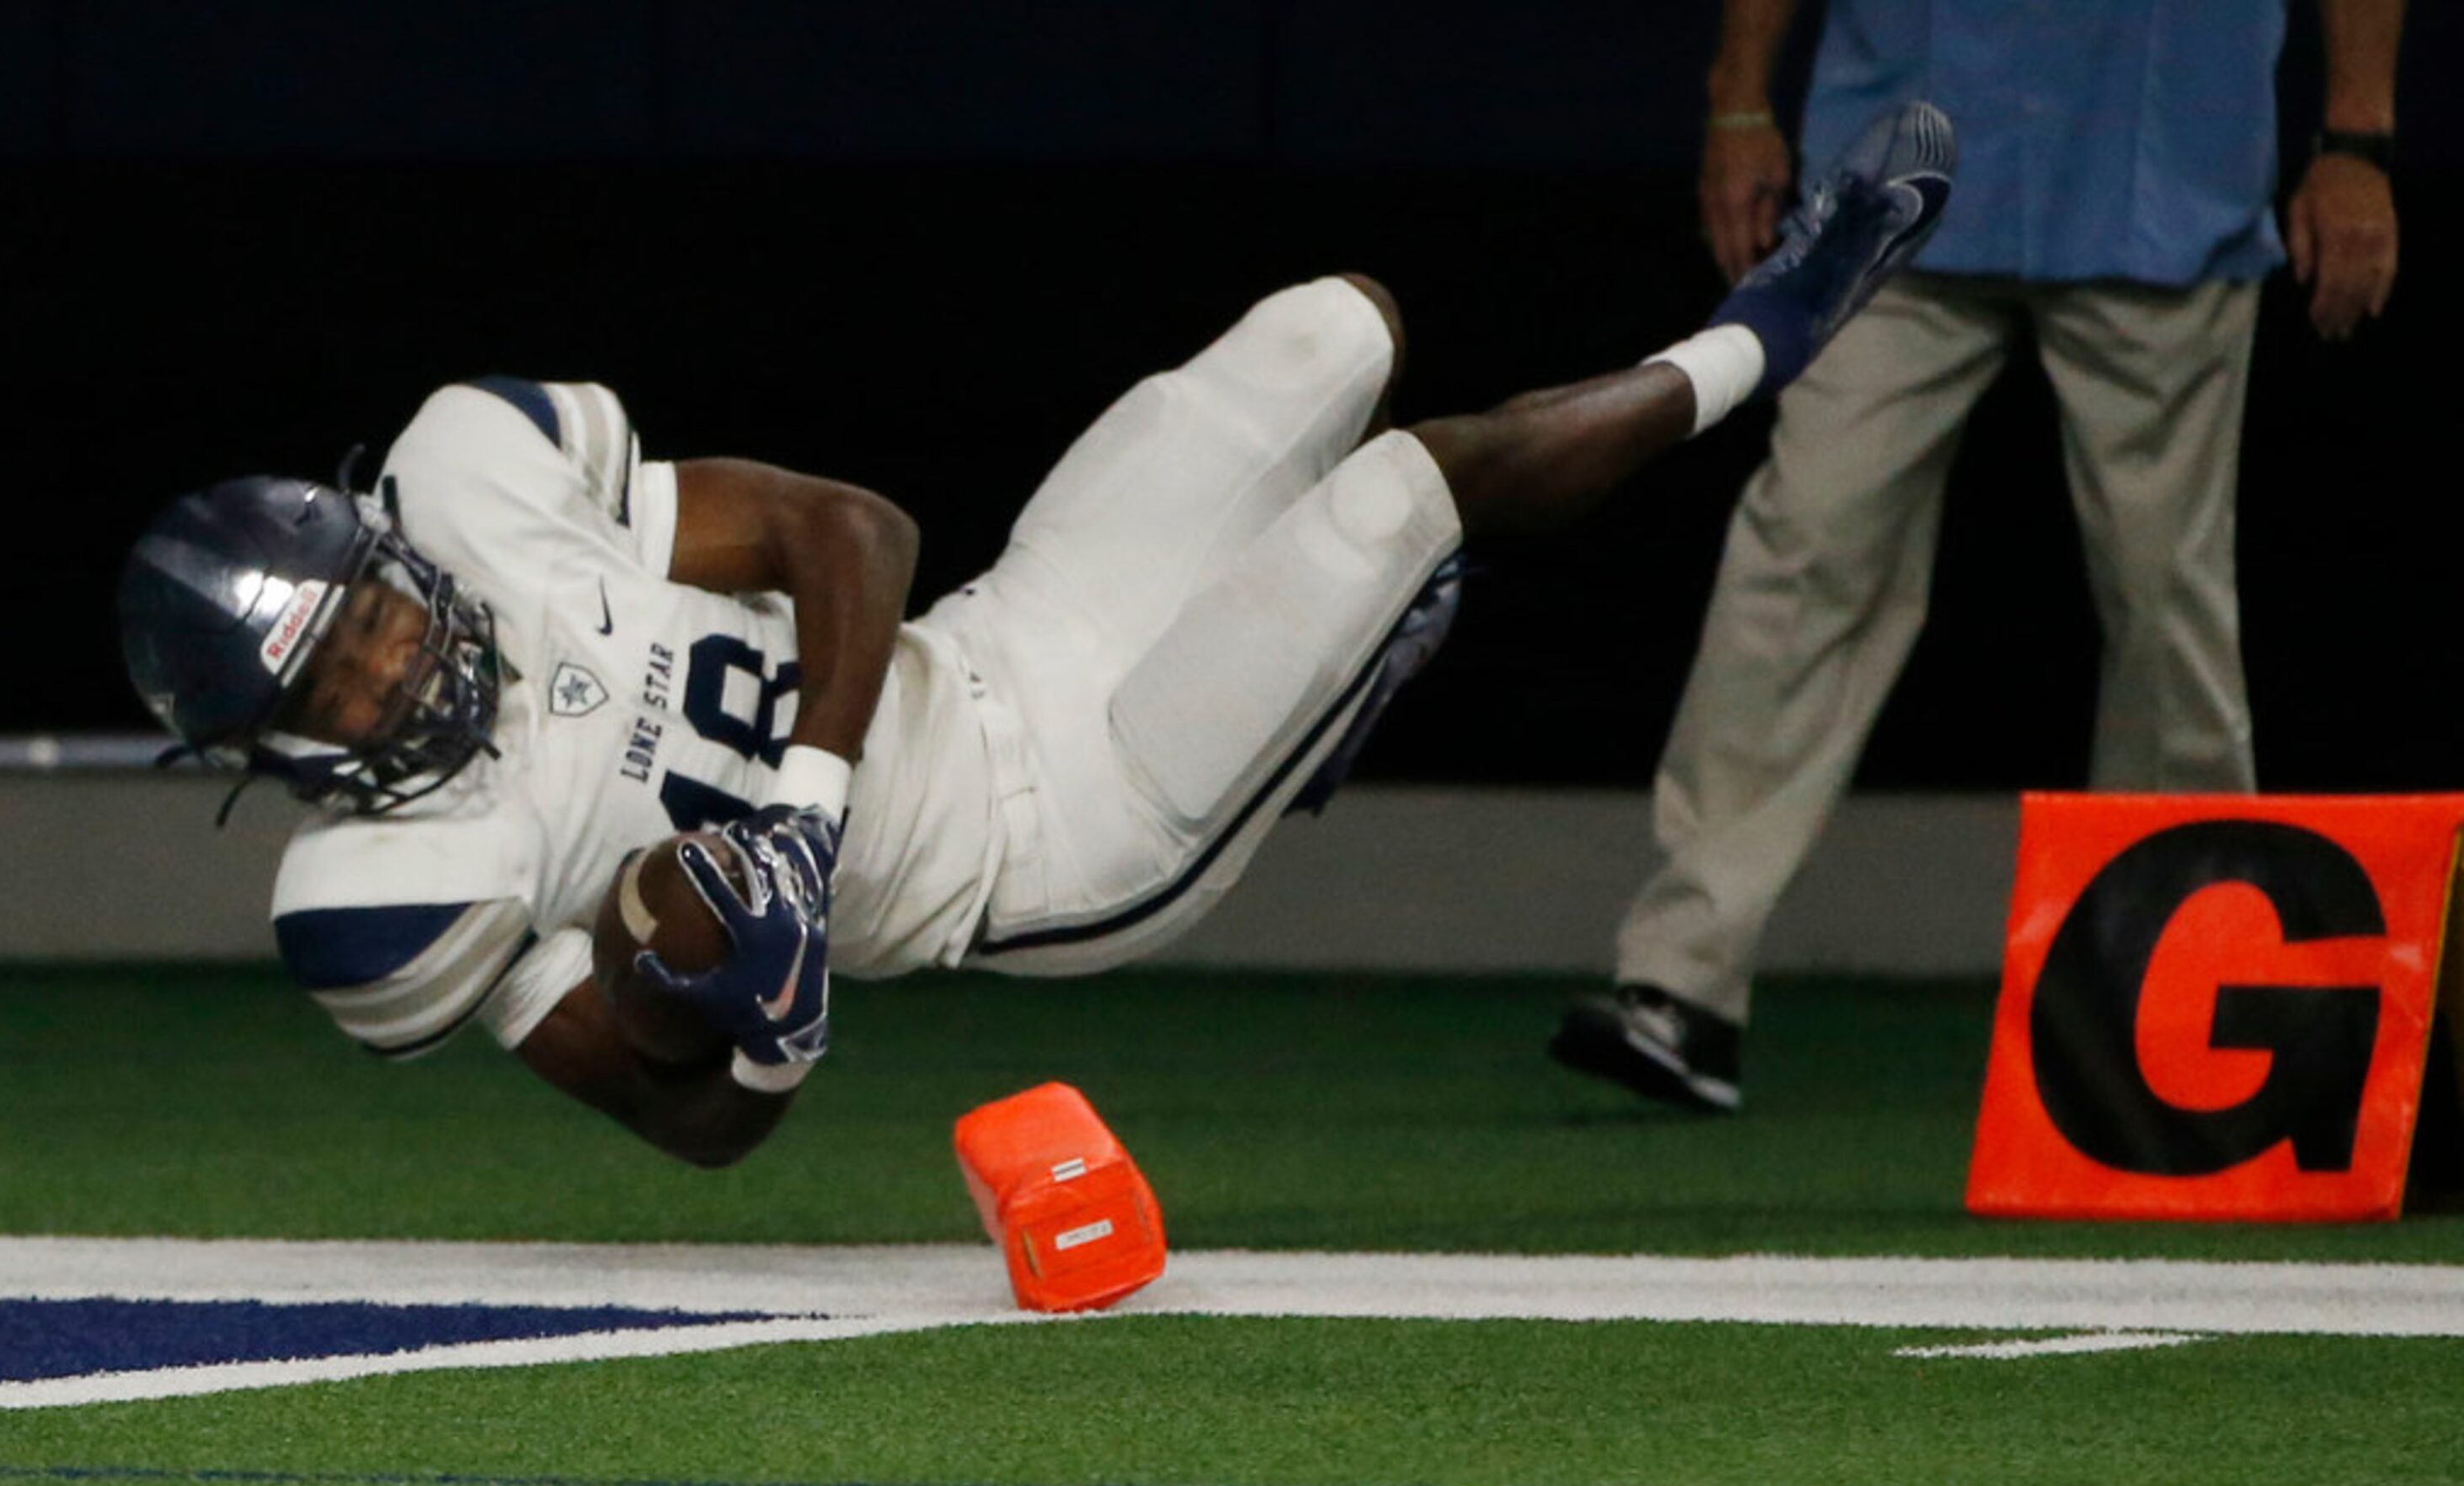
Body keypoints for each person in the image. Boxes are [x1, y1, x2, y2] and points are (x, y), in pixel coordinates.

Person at [119, 104, 1954, 1168]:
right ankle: (1783, 323)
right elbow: (690, 1126)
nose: (386, 670)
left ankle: (1326, 698)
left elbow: (859, 531)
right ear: (282, 762)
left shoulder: (479, 471)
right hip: (1061, 845)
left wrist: (805, 813)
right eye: (332, 689)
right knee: (1403, 494)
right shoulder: (383, 895)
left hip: (1008, 636)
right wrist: (759, 1010)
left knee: (1338, 326)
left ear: (380, 542)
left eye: (362, 619)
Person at [1552, 0, 2404, 1114]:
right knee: (1801, 546)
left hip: (2162, 156)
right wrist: (1740, 96)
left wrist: (2356, 139)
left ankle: (2173, 1009)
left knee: (2166, 598)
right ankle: (1680, 977)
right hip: (1903, 149)